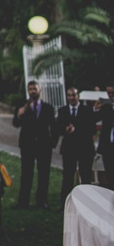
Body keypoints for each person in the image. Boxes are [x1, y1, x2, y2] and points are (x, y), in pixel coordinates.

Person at [13, 80, 55, 209]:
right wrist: (19, 115)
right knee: (26, 173)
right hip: (27, 144)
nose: (32, 91)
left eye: (34, 89)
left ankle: (42, 201)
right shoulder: (23, 106)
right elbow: (15, 124)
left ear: (39, 90)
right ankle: (23, 201)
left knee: (44, 173)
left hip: (44, 145)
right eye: (30, 89)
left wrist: (52, 143)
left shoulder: (48, 108)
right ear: (28, 91)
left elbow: (54, 127)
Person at [56, 86, 96, 203]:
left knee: (86, 177)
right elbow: (57, 128)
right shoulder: (62, 111)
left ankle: (86, 203)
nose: (71, 98)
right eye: (69, 95)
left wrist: (76, 129)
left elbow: (92, 129)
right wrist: (65, 129)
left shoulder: (87, 110)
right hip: (69, 149)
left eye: (73, 95)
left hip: (85, 148)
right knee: (67, 177)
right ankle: (65, 203)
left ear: (78, 96)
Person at [95, 82, 114, 190]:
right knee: (110, 174)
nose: (111, 95)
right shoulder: (106, 107)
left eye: (112, 92)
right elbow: (94, 118)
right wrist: (96, 108)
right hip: (108, 146)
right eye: (109, 93)